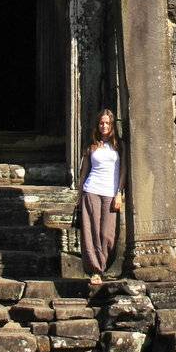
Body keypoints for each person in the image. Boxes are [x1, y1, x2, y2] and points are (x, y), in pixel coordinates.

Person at [77, 109, 125, 287]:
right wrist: (79, 195)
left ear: (112, 125)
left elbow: (123, 171)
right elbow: (84, 173)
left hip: (110, 193)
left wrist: (120, 192)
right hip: (91, 191)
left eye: (107, 123)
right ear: (97, 125)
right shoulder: (92, 145)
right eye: (101, 123)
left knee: (107, 234)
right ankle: (96, 270)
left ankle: (103, 264)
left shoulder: (119, 145)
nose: (104, 126)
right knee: (92, 232)